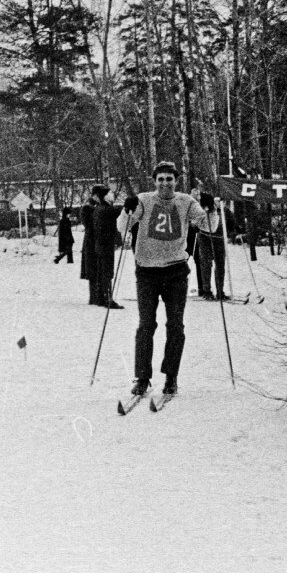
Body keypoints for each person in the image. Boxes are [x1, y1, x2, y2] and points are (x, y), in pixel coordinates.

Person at [120, 161, 209, 397]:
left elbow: (208, 226)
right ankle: (142, 377)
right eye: (160, 179)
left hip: (176, 271)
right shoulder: (144, 200)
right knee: (146, 325)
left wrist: (209, 209)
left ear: (176, 181)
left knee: (176, 325)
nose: (165, 183)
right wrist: (125, 209)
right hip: (147, 271)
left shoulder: (186, 201)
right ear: (155, 181)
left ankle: (171, 376)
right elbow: (124, 225)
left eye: (169, 179)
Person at [91, 185, 124, 308]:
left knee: (102, 272)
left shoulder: (99, 208)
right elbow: (119, 210)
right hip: (106, 245)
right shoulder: (105, 209)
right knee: (107, 272)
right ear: (104, 196)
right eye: (109, 193)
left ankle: (101, 298)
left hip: (101, 245)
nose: (112, 195)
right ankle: (107, 299)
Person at [195, 192, 228, 300]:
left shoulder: (223, 211)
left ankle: (220, 291)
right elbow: (195, 222)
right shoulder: (203, 209)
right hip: (205, 238)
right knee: (206, 264)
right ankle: (207, 291)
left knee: (220, 265)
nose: (217, 204)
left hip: (219, 239)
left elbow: (230, 223)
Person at [79, 188, 100, 305]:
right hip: (91, 241)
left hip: (92, 240)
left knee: (95, 269)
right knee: (93, 270)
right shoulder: (89, 207)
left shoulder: (92, 205)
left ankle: (95, 296)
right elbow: (89, 224)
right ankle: (94, 297)